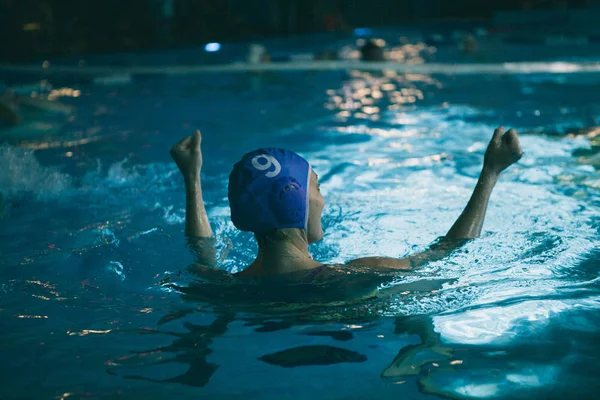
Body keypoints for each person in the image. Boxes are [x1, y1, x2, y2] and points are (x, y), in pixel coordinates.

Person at [169, 127, 522, 278]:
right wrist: (491, 173)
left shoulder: (223, 288)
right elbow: (450, 251)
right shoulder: (359, 275)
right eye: (316, 188)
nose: (322, 201)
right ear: (292, 202)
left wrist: (191, 178)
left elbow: (203, 252)